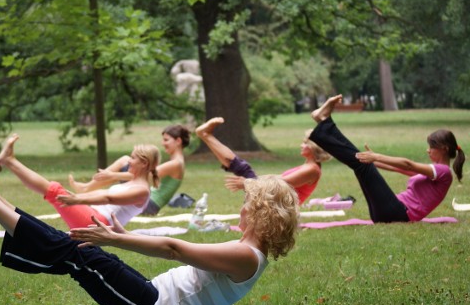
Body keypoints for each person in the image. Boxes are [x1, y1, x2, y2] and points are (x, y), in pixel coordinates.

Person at [0, 144, 298, 305]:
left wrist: (114, 240)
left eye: (245, 204)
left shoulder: (246, 256)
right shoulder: (248, 252)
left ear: (258, 213)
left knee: (78, 252)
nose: (240, 210)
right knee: (78, 250)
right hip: (151, 298)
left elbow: (173, 249)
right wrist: (120, 235)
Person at [308, 94, 465, 223]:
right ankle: (323, 122)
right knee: (362, 162)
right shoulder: (434, 172)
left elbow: (408, 164)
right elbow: (398, 167)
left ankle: (323, 121)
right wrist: (374, 159)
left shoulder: (443, 171)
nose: (428, 150)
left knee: (362, 164)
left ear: (444, 149)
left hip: (398, 213)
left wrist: (376, 156)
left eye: (431, 147)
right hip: (390, 212)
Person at [0, 133, 160, 229]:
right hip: (93, 218)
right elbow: (126, 177)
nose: (128, 161)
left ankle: (9, 161)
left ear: (144, 163)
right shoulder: (134, 180)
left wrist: (77, 199)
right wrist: (111, 177)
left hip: (97, 224)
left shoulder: (142, 191)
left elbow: (108, 198)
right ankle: (9, 161)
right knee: (54, 191)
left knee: (54, 190)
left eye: (133, 158)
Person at [195, 117, 331, 204]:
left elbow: (280, 185)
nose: (301, 145)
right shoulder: (309, 166)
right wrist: (253, 181)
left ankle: (206, 135)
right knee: (243, 169)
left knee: (244, 170)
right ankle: (206, 135)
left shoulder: (312, 169)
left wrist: (249, 183)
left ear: (315, 148)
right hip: (273, 201)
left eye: (305, 143)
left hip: (278, 209)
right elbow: (278, 179)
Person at [68, 124, 191, 215]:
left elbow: (142, 176)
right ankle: (85, 189)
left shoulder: (176, 164)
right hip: (147, 203)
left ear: (178, 141)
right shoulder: (177, 163)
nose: (163, 143)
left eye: (166, 140)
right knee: (125, 160)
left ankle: (85, 188)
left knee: (124, 160)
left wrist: (113, 175)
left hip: (148, 205)